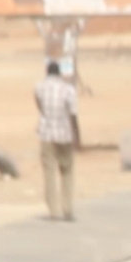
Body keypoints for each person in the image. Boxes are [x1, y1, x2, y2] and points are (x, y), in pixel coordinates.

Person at [34, 60, 80, 221]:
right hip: (64, 134)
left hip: (46, 134)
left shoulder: (39, 87)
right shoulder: (68, 90)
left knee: (49, 172)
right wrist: (77, 136)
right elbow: (73, 114)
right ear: (59, 73)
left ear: (47, 71)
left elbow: (39, 105)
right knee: (67, 171)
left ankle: (54, 210)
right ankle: (67, 208)